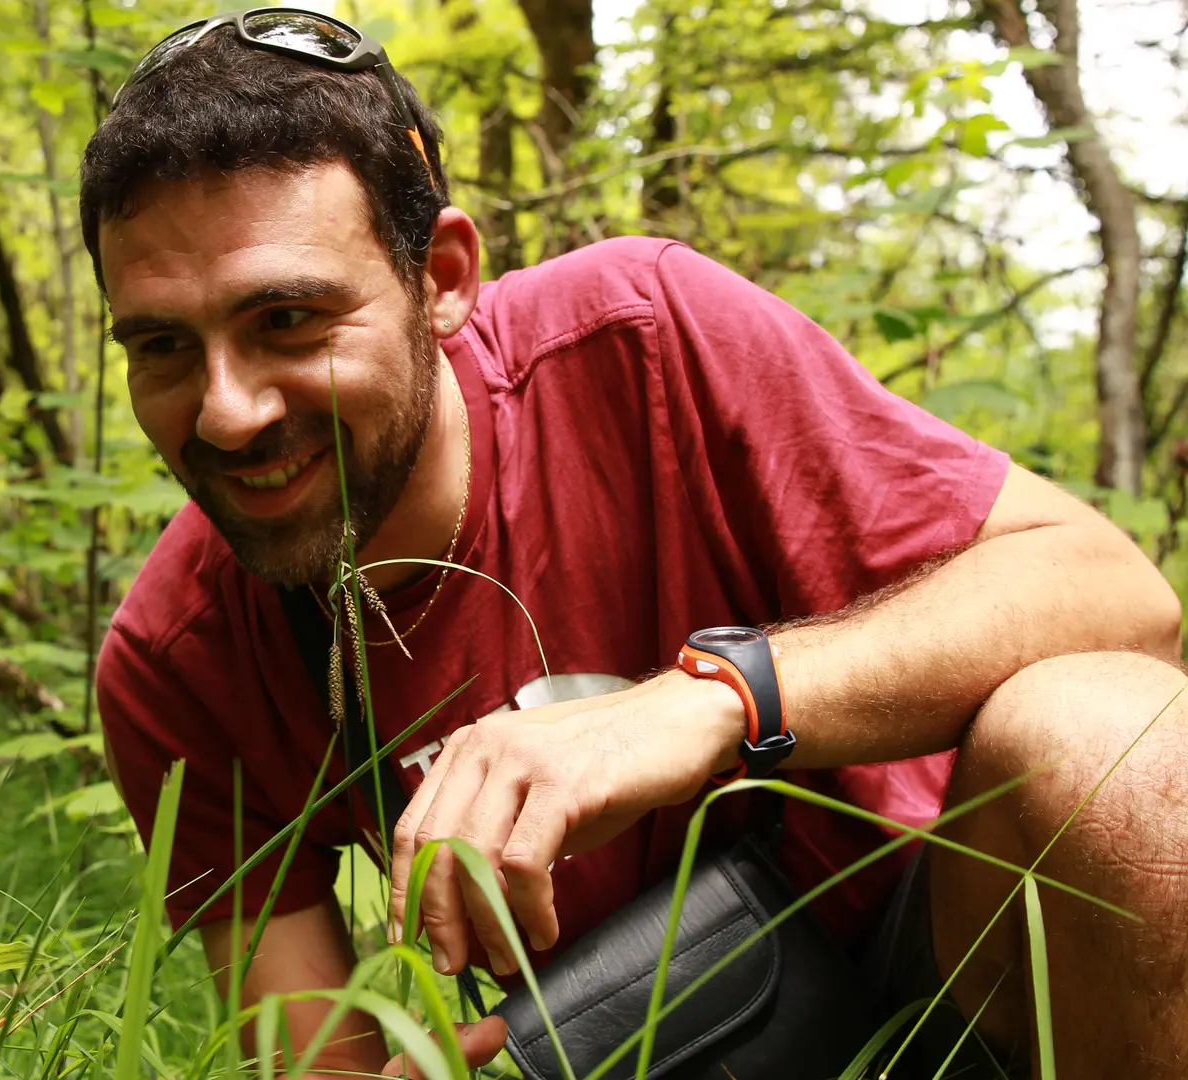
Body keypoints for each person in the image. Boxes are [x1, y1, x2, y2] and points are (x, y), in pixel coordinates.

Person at [81, 9, 1188, 1077]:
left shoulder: (642, 337)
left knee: (1112, 744)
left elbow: (1115, 595)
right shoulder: (177, 662)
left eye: (289, 320)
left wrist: (708, 700)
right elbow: (315, 1056)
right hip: (638, 1045)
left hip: (950, 950)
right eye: (164, 346)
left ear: (444, 279)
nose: (226, 412)